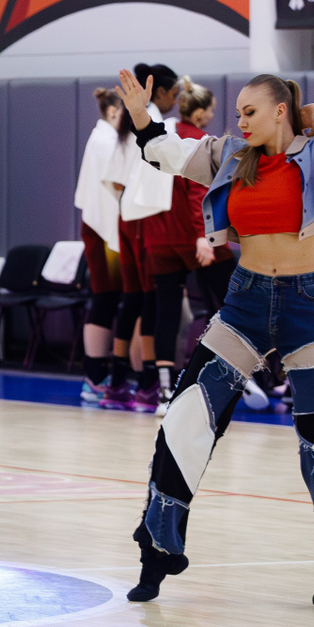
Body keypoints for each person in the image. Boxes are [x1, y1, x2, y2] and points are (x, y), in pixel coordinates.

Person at [118, 70, 314, 609]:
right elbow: (162, 151)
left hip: (308, 303)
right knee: (185, 418)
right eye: (238, 113)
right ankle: (157, 552)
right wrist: (140, 117)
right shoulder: (228, 155)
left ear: (279, 111)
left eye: (251, 111)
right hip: (244, 301)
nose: (241, 121)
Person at [145, 79, 235, 391]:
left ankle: (164, 387)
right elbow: (199, 194)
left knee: (166, 312)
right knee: (236, 302)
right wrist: (202, 235)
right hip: (193, 237)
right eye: (211, 111)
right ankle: (242, 374)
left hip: (160, 238)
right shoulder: (199, 141)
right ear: (199, 113)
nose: (212, 116)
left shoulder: (162, 136)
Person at [105, 63, 178, 411]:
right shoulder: (152, 121)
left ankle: (117, 381)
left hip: (127, 217)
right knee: (150, 298)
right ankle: (148, 383)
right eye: (174, 93)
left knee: (133, 298)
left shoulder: (128, 121)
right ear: (159, 92)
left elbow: (114, 181)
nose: (176, 100)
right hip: (144, 218)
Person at [76, 87, 125, 404]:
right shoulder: (106, 141)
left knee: (106, 299)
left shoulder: (102, 137)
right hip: (103, 231)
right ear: (112, 112)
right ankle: (94, 377)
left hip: (103, 229)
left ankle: (97, 374)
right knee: (104, 298)